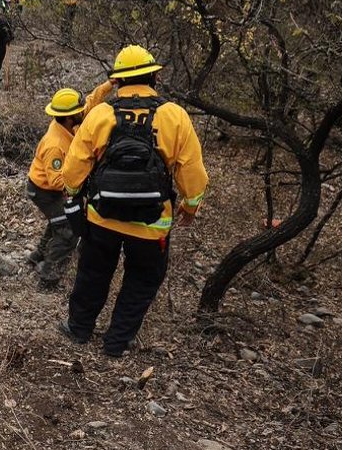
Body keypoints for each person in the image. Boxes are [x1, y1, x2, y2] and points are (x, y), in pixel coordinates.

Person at [58, 45, 208, 358]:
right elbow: (192, 173)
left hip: (102, 217)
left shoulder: (100, 114)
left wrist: (73, 198)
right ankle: (116, 342)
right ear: (154, 76)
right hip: (153, 224)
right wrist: (190, 207)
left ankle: (79, 329)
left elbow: (73, 171)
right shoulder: (174, 116)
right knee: (141, 281)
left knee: (93, 273)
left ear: (118, 81)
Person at [26, 88, 87, 289]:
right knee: (68, 230)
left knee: (59, 220)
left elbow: (91, 103)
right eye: (79, 110)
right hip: (44, 192)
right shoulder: (55, 144)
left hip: (45, 189)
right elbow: (55, 181)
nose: (83, 112)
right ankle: (48, 278)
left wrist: (109, 85)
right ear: (70, 117)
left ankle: (37, 257)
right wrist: (80, 185)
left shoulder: (63, 125)